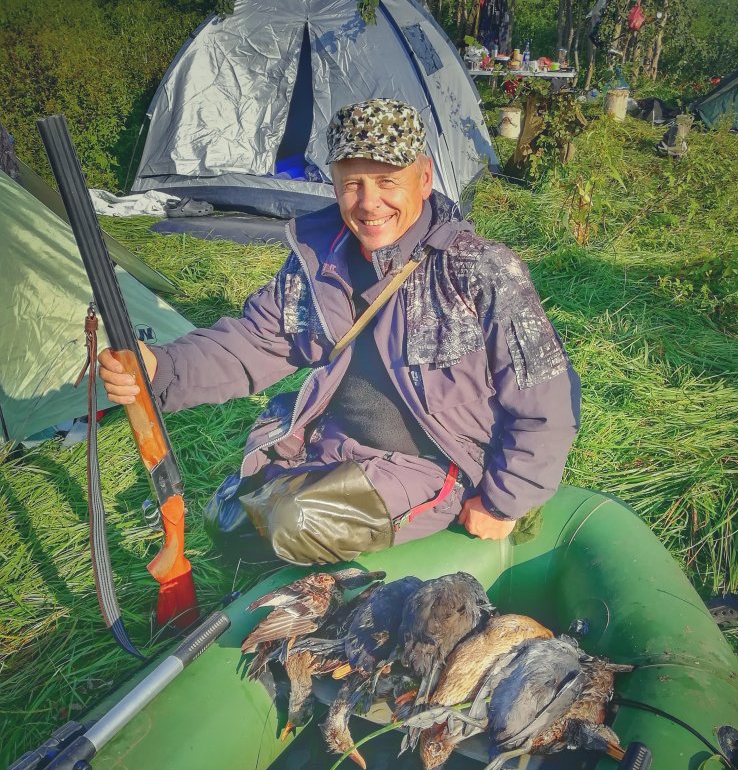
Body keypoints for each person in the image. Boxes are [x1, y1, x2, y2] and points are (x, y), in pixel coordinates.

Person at [99, 99, 580, 566]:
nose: (369, 203)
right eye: (352, 184)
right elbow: (253, 342)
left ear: (425, 178)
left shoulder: (482, 270)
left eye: (388, 181)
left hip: (438, 465)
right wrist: (163, 368)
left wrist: (502, 501)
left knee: (293, 522)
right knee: (227, 522)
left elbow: (548, 397)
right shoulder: (318, 262)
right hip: (337, 441)